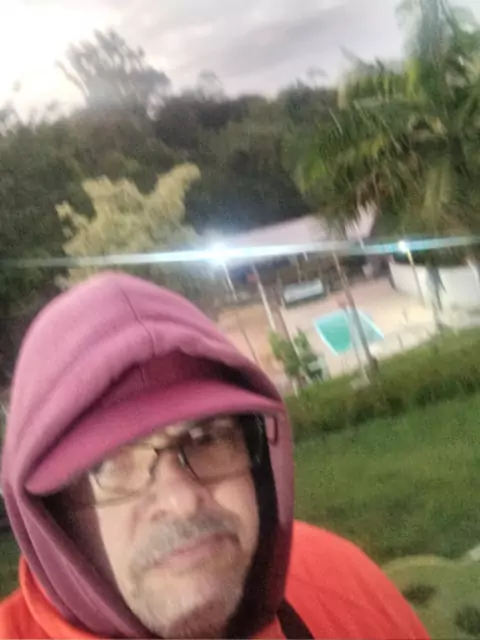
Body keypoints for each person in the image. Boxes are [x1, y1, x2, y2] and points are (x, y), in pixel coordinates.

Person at [0, 272, 429, 640]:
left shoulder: (341, 579)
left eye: (206, 439)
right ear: (49, 516)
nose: (182, 500)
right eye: (107, 463)